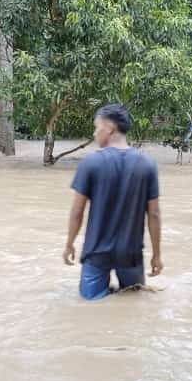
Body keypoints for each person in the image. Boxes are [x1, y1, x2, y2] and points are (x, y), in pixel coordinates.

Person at [64, 104, 163, 300]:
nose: (94, 133)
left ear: (109, 128)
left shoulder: (90, 163)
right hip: (131, 254)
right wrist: (157, 255)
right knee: (132, 304)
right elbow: (154, 214)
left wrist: (69, 244)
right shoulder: (147, 164)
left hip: (96, 254)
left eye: (96, 127)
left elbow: (77, 211)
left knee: (90, 306)